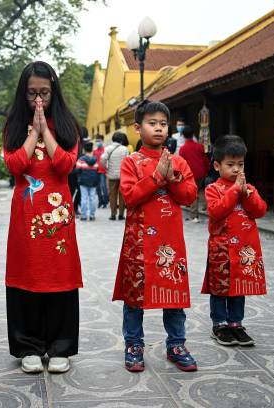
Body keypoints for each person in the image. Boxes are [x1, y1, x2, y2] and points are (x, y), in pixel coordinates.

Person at [3, 61, 83, 374]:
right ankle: (29, 346)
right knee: (27, 276)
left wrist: (45, 131)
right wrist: (31, 133)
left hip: (57, 213)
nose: (39, 100)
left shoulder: (67, 125)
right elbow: (15, 165)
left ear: (54, 91)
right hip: (26, 212)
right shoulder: (13, 125)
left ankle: (60, 346)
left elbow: (64, 166)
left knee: (59, 276)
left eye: (45, 93)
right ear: (23, 93)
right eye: (32, 93)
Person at [112, 100, 198, 373]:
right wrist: (156, 177)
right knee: (134, 297)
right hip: (139, 242)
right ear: (138, 128)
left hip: (170, 242)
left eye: (163, 124)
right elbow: (129, 197)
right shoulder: (131, 162)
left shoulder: (179, 161)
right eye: (152, 123)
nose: (159, 129)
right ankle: (134, 344)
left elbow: (189, 196)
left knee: (174, 295)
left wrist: (173, 178)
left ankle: (176, 344)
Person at [202, 135, 267, 347]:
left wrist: (247, 194)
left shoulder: (249, 188)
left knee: (240, 288)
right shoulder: (212, 189)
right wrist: (234, 191)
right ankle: (219, 324)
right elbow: (216, 211)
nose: (236, 169)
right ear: (217, 165)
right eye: (230, 165)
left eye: (240, 164)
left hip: (244, 249)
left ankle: (236, 323)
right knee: (220, 288)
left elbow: (260, 211)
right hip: (221, 248)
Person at [179, 124, 210, 222]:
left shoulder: (182, 149)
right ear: (193, 134)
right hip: (201, 172)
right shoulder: (200, 146)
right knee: (200, 190)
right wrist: (207, 169)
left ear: (183, 136)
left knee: (193, 193)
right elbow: (205, 160)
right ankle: (206, 208)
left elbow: (182, 164)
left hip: (190, 174)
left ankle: (194, 216)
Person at [101, 132, 129, 220]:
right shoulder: (125, 149)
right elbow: (128, 161)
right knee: (122, 195)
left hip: (112, 175)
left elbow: (102, 159)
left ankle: (113, 214)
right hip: (123, 175)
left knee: (112, 195)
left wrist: (106, 168)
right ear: (121, 139)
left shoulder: (108, 148)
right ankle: (121, 214)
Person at [76, 141, 99, 221]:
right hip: (93, 182)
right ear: (92, 149)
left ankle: (83, 216)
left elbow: (77, 170)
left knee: (84, 198)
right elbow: (97, 169)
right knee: (92, 198)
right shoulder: (95, 159)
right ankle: (92, 215)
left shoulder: (81, 159)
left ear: (84, 150)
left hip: (83, 181)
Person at [93, 134, 109, 208]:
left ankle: (105, 201)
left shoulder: (105, 150)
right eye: (97, 141)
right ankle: (100, 201)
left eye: (99, 141)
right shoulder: (94, 151)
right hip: (96, 171)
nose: (98, 142)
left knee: (103, 186)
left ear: (102, 141)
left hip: (103, 171)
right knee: (97, 187)